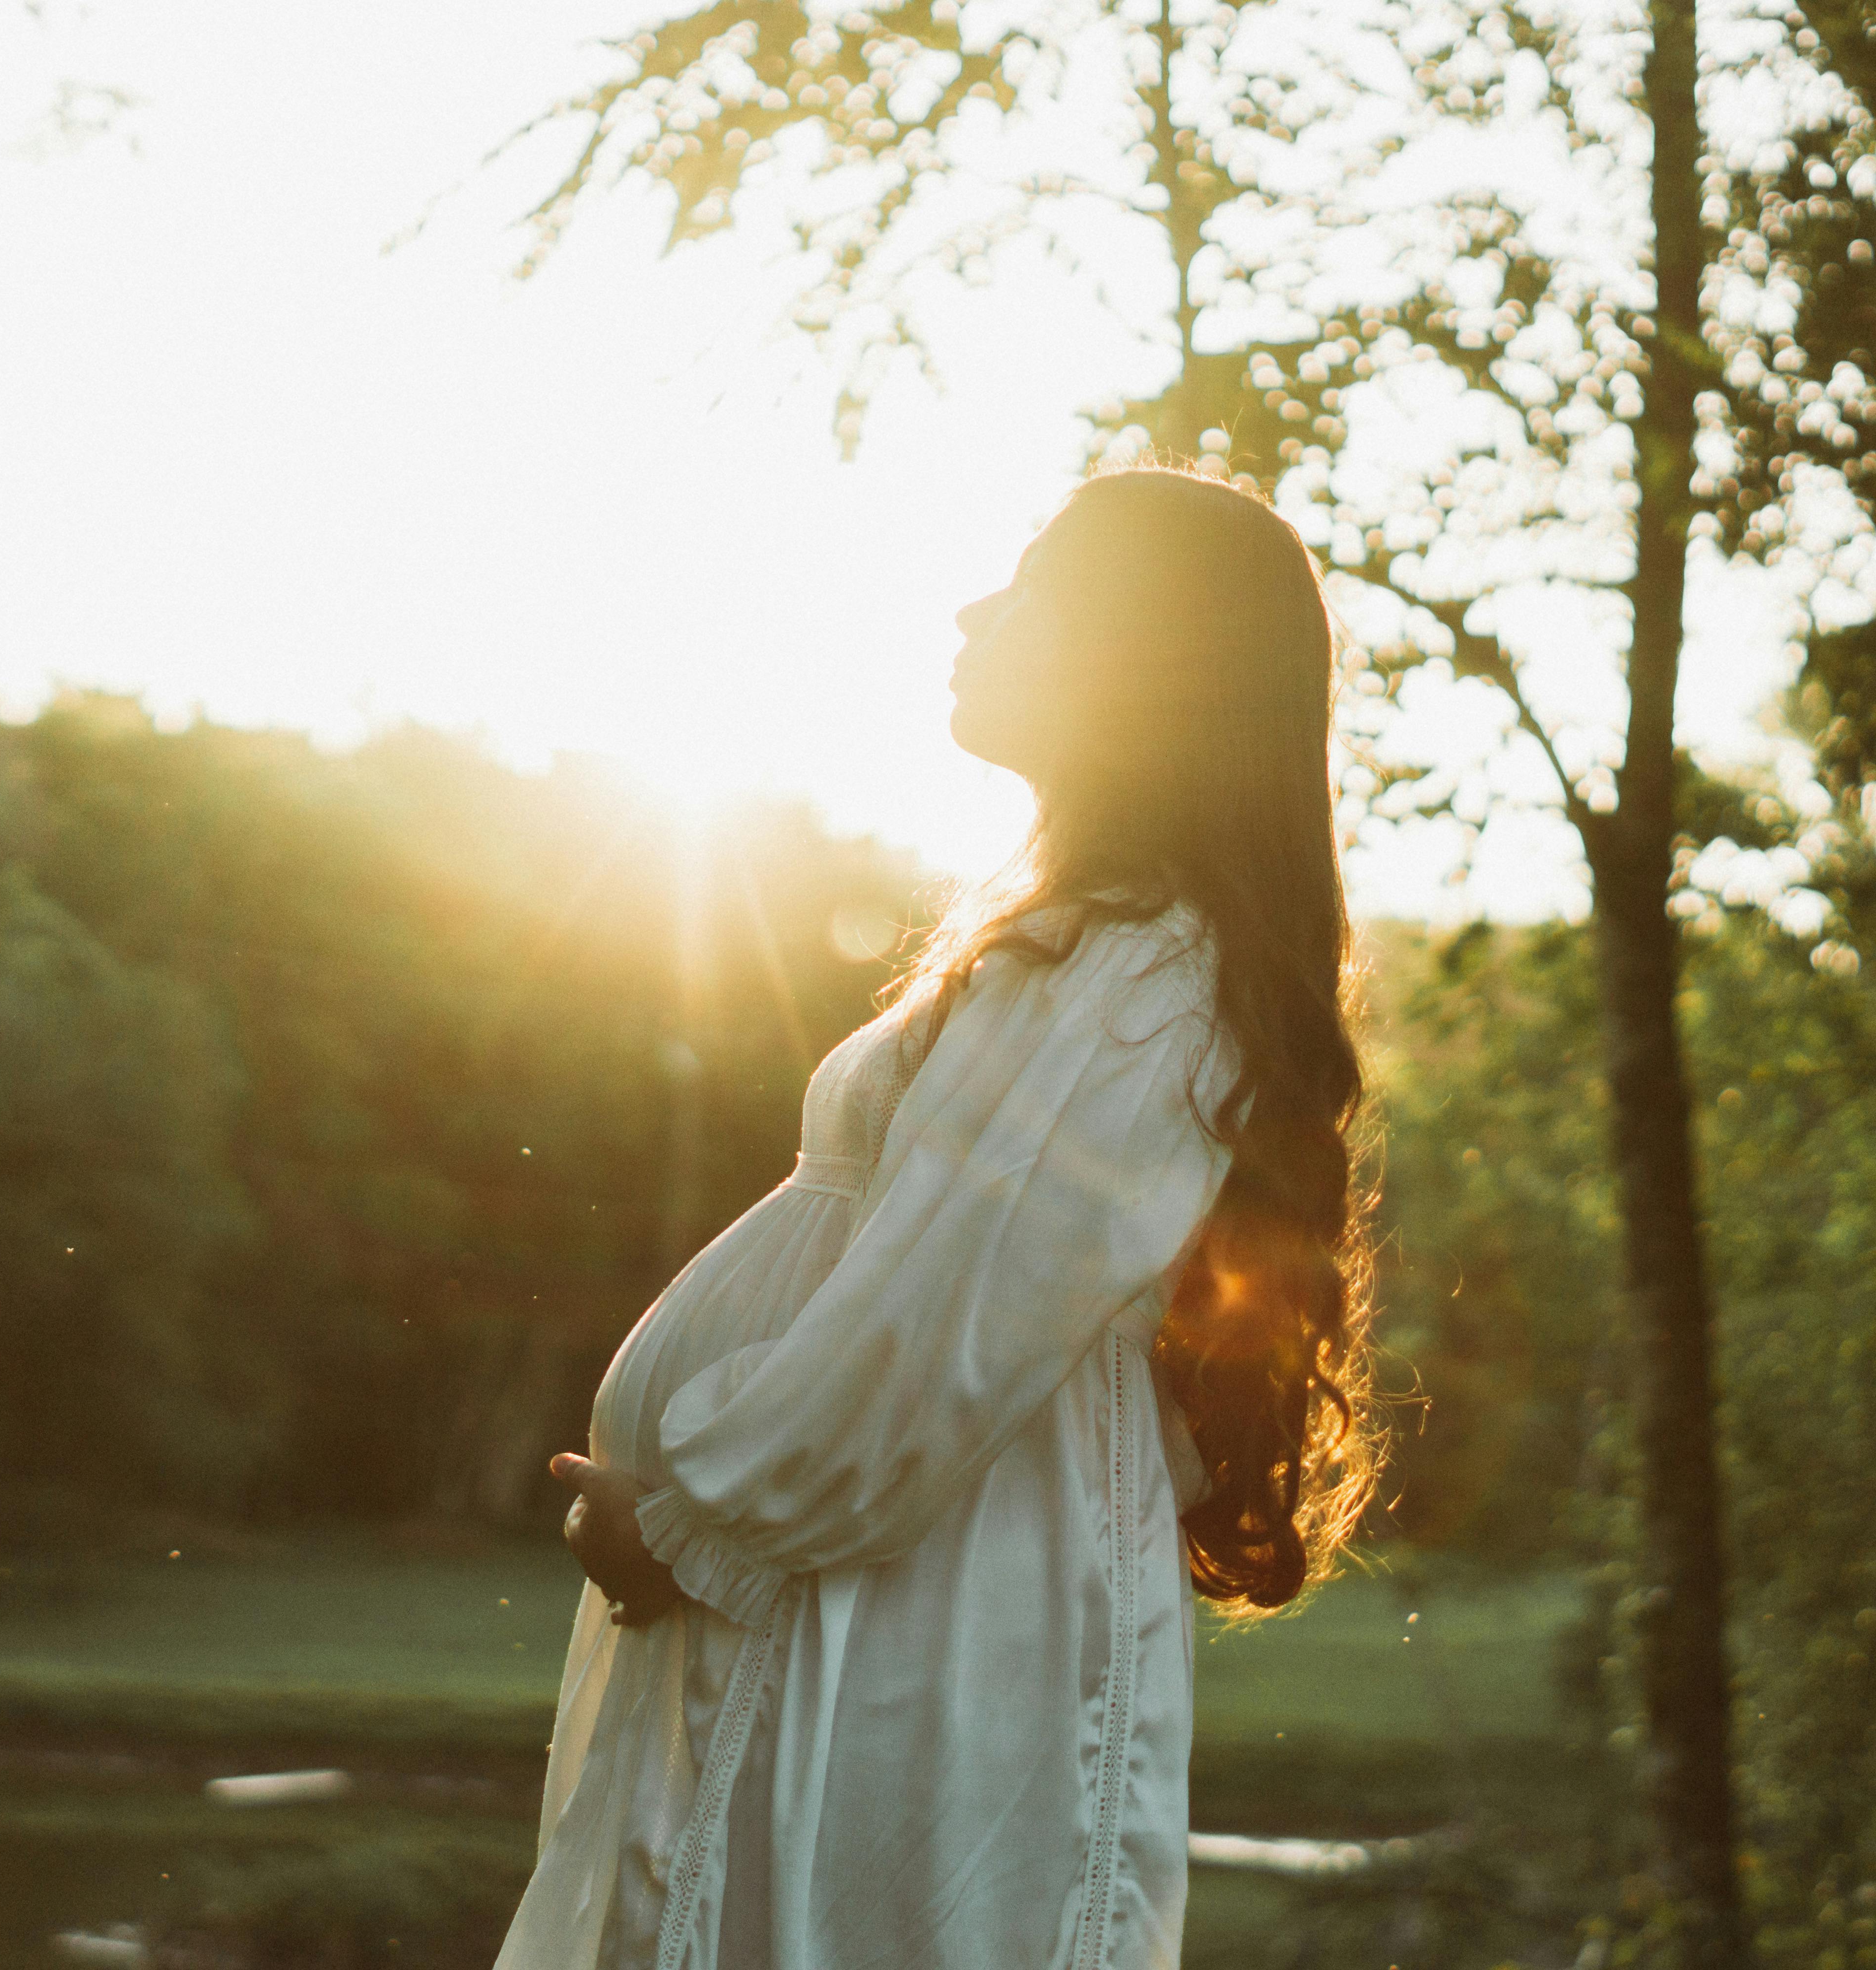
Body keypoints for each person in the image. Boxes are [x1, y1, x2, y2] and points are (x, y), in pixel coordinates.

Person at [495, 464, 1379, 1970]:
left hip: (913, 1604)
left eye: (1033, 585)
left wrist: (703, 1516)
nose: (976, 611)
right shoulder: (1092, 945)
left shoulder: (1145, 979)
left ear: (1143, 659)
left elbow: (950, 1320)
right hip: (862, 1582)